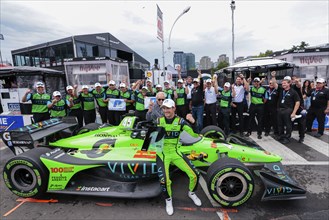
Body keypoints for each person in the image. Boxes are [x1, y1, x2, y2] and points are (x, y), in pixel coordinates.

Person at [156, 99, 202, 216]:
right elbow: (149, 135)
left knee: (195, 174)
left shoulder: (180, 121)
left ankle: (191, 193)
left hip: (176, 153)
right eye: (164, 108)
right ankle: (168, 200)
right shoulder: (158, 120)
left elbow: (195, 134)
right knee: (164, 181)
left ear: (174, 108)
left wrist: (193, 122)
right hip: (162, 154)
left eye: (168, 108)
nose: (166, 110)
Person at [277, 79, 300, 144]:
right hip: (280, 109)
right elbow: (274, 83)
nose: (283, 84)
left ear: (289, 83)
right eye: (282, 83)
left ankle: (287, 137)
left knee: (288, 125)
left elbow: (297, 102)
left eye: (285, 83)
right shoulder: (281, 90)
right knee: (280, 124)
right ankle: (281, 136)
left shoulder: (293, 92)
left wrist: (294, 112)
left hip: (288, 110)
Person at [289, 76, 306, 143]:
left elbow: (299, 85)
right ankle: (288, 135)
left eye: (294, 79)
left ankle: (301, 137)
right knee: (290, 123)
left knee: (301, 123)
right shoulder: (288, 87)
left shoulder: (296, 86)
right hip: (291, 107)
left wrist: (297, 82)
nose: (293, 80)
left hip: (300, 108)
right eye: (292, 79)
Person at [264, 72, 279, 137]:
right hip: (267, 107)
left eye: (272, 83)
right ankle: (267, 131)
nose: (271, 84)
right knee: (267, 120)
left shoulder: (277, 90)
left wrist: (273, 77)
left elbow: (275, 84)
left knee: (275, 120)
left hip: (274, 108)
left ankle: (276, 132)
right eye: (270, 83)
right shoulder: (266, 90)